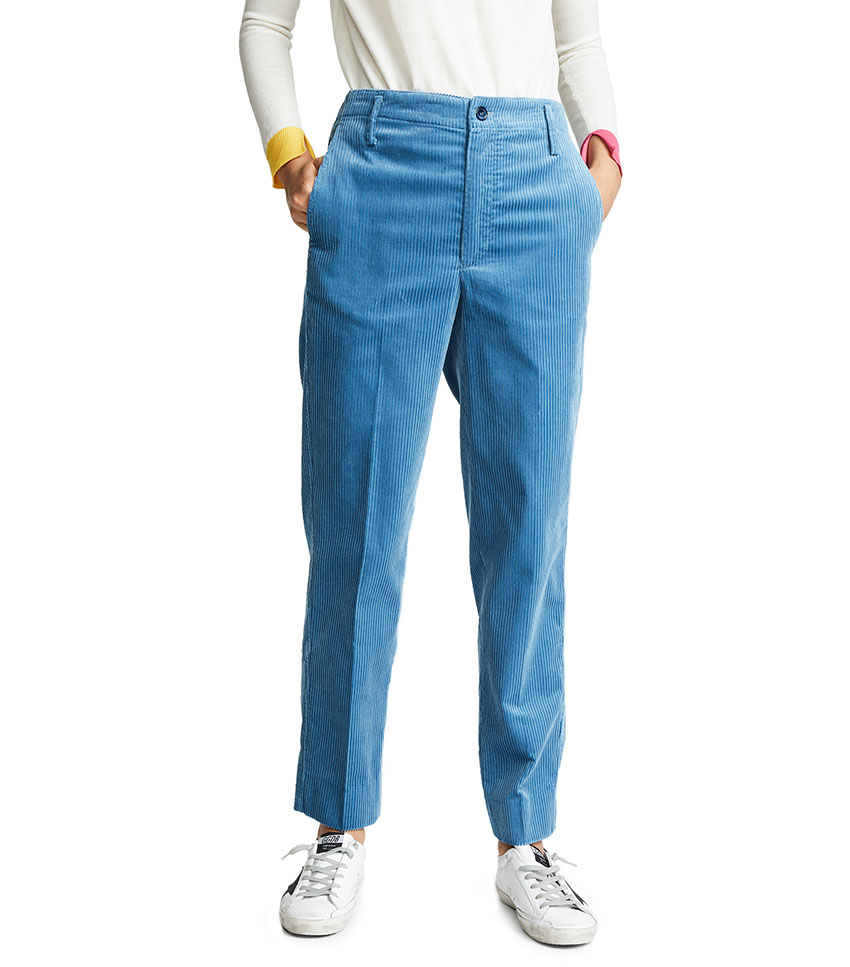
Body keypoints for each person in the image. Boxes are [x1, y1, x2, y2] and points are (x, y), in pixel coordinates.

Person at [239, 0, 622, 946]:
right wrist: (290, 154)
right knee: (355, 526)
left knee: (528, 533)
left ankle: (526, 837)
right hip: (383, 176)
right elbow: (264, 23)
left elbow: (576, 36)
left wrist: (602, 164)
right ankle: (338, 824)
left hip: (534, 181)